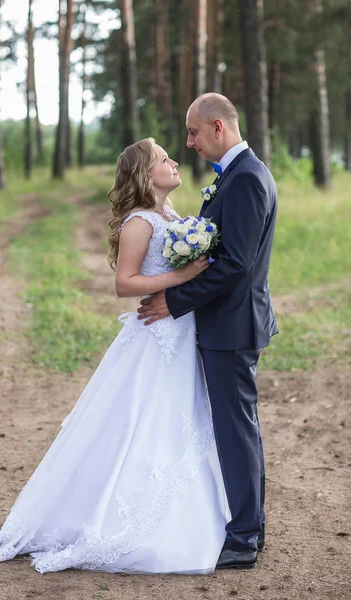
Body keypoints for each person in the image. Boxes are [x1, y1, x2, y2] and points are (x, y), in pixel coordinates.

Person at [0, 138, 231, 574]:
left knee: (178, 417)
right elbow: (125, 283)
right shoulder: (140, 221)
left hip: (179, 331)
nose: (174, 161)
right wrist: (181, 275)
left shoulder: (170, 215)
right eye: (163, 159)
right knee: (143, 418)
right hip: (155, 335)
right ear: (145, 173)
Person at [138, 93, 279, 570]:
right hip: (227, 322)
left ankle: (243, 537)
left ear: (218, 127)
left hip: (233, 325)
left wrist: (173, 300)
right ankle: (247, 526)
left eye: (194, 133)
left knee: (236, 429)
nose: (189, 142)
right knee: (236, 427)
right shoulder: (235, 178)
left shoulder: (245, 181)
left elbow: (236, 265)